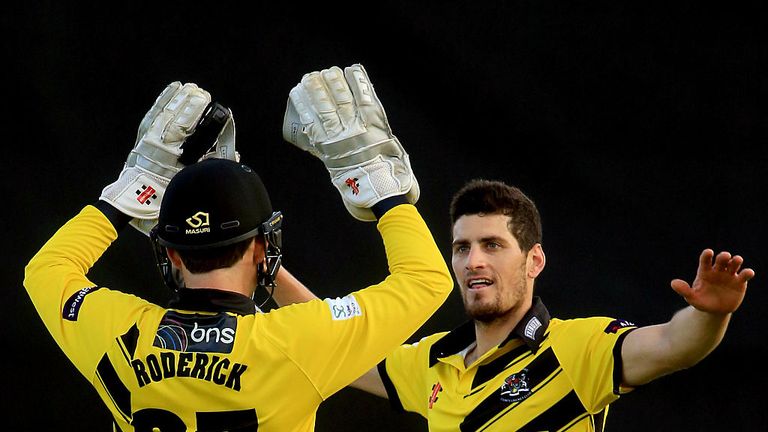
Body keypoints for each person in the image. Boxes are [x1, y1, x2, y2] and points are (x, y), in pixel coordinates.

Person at [24, 65, 453, 431]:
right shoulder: (298, 342)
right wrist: (379, 188)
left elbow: (46, 270)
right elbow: (426, 279)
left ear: (170, 253)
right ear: (263, 246)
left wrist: (127, 195)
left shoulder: (117, 331)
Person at [276, 178, 756, 431]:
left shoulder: (578, 347)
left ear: (534, 261)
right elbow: (334, 339)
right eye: (462, 247)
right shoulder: (434, 362)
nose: (472, 261)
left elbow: (674, 344)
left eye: (492, 245)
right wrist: (264, 269)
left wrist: (711, 313)